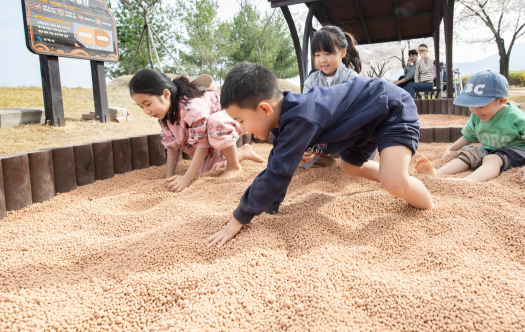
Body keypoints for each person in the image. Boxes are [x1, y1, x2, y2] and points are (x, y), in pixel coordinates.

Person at [206, 63, 434, 248]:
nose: (241, 129)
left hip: (390, 109)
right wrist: (271, 205)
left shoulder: (300, 117)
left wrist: (238, 219)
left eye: (242, 121)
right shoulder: (284, 118)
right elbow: (277, 161)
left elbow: (277, 173)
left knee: (393, 181)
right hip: (363, 125)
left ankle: (428, 205)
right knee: (349, 167)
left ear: (265, 109)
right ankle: (396, 176)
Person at [129, 69, 265, 192]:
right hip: (211, 129)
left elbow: (202, 143)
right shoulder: (164, 115)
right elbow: (172, 147)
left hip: (232, 117)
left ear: (166, 94)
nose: (146, 111)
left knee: (215, 123)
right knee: (208, 170)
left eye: (148, 104)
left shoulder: (192, 107)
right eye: (141, 107)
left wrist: (187, 178)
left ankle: (234, 166)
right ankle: (244, 153)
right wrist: (169, 177)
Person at [414, 70, 525, 188]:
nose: (475, 110)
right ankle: (437, 173)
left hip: (521, 151)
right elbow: (468, 136)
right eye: (471, 104)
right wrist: (451, 148)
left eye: (480, 105)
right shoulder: (477, 115)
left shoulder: (513, 116)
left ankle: (469, 181)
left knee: (493, 158)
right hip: (491, 149)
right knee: (469, 152)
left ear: (501, 101)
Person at [301, 26, 361, 168]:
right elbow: (305, 112)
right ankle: (323, 160)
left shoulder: (351, 78)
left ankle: (351, 162)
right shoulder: (311, 81)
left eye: (327, 53)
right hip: (322, 137)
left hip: (347, 136)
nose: (322, 60)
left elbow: (355, 112)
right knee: (295, 149)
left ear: (342, 52)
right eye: (317, 55)